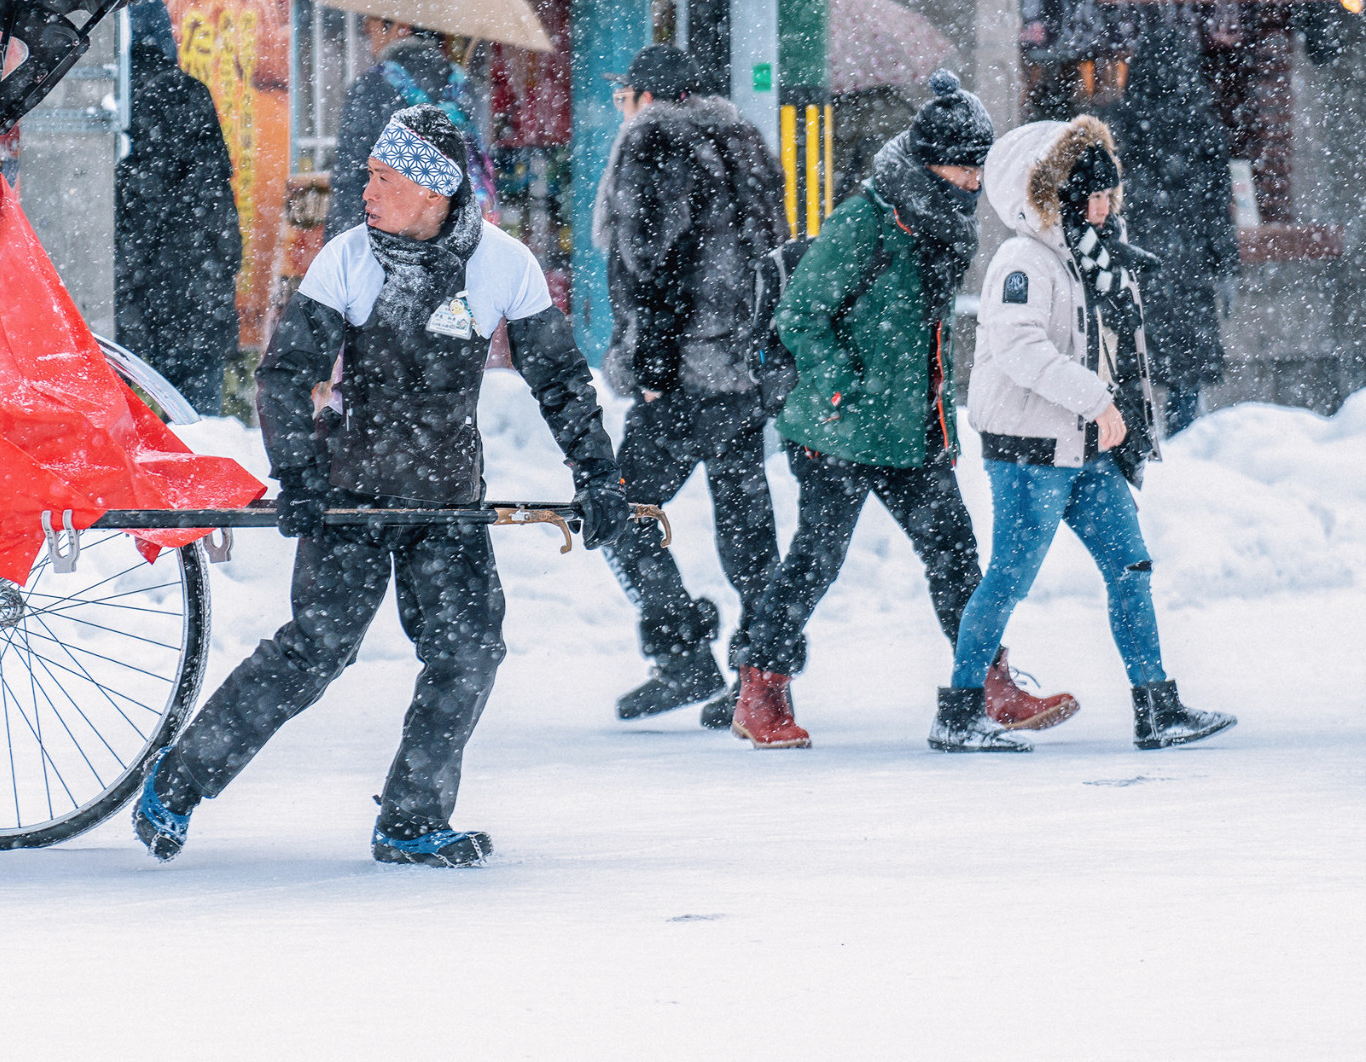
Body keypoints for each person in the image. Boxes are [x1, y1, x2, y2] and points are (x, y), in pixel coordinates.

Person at [133, 104, 628, 868]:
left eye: (381, 176)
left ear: (433, 191)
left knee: (469, 650)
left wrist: (598, 473)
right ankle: (179, 779)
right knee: (315, 650)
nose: (364, 188)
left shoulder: (504, 264)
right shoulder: (348, 260)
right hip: (351, 491)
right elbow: (286, 374)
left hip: (447, 496)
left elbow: (560, 381)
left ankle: (412, 817)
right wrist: (296, 471)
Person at [732, 71, 1075, 748]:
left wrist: (935, 412)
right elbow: (801, 315)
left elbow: (928, 333)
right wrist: (838, 387)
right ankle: (759, 690)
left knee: (954, 554)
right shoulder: (867, 220)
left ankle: (987, 682)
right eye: (962, 165)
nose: (975, 180)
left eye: (980, 165)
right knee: (816, 559)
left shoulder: (943, 218)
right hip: (838, 427)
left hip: (914, 429)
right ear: (927, 161)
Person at [930, 117, 1236, 752]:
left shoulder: (1093, 260)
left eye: (1108, 195)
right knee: (1010, 575)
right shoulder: (1024, 261)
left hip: (1091, 450)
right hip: (1032, 452)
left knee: (1131, 568)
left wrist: (1121, 420)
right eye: (1091, 196)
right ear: (1060, 196)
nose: (1103, 207)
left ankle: (1158, 707)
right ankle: (958, 713)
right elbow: (1019, 349)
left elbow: (1117, 351)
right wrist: (1097, 401)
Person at [591, 44, 784, 724]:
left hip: (682, 376)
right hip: (742, 371)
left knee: (618, 510)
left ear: (645, 97)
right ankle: (762, 671)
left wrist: (649, 369)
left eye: (625, 98)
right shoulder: (745, 144)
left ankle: (680, 651)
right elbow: (772, 259)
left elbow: (655, 267)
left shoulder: (653, 143)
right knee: (747, 526)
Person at [1105, 22, 1237, 436]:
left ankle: (1130, 449)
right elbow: (1218, 208)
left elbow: (1101, 203)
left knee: (1128, 366)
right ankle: (1184, 447)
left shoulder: (1118, 127)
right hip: (1187, 264)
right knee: (1184, 374)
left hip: (1133, 262)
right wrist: (1226, 265)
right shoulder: (1203, 128)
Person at [116, 0, 243, 415]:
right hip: (197, 291)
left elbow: (137, 210)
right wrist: (224, 271)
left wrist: (125, 285)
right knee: (197, 424)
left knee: (126, 424)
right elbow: (218, 200)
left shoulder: (114, 103)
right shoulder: (190, 93)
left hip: (134, 295)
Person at [325, 17, 488, 240]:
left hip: (391, 247)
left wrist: (338, 250)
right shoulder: (468, 88)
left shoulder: (371, 88)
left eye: (371, 26)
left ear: (401, 27)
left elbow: (350, 183)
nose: (366, 31)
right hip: (460, 240)